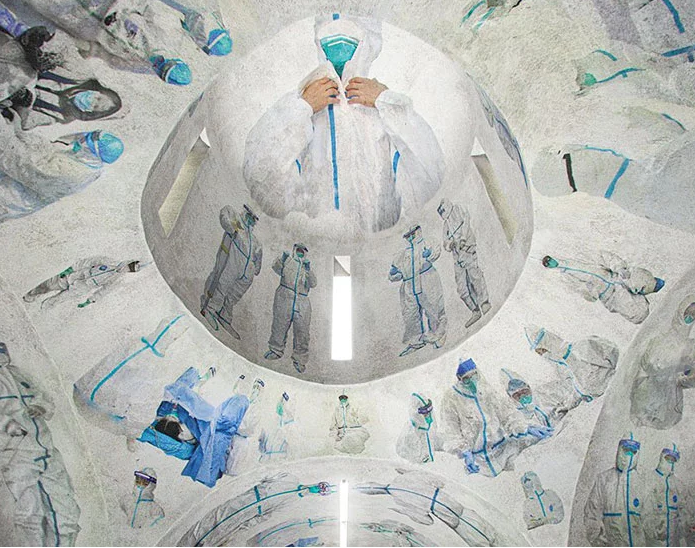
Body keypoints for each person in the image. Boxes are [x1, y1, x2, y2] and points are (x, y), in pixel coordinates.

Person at [243, 13, 445, 234]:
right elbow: (259, 180)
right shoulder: (301, 104)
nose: (339, 36)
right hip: (317, 244)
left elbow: (430, 177)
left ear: (369, 40)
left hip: (375, 246)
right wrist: (303, 107)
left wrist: (386, 102)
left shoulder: (382, 109)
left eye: (351, 27)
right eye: (330, 28)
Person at [0, 342, 81, 546]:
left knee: (67, 512)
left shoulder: (18, 373)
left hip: (47, 451)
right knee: (31, 517)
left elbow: (45, 397)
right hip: (18, 458)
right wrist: (10, 427)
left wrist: (41, 407)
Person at [73, 315, 189, 440]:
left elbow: (103, 367)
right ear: (174, 338)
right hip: (106, 413)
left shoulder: (134, 343)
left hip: (82, 396)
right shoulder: (156, 367)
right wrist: (133, 431)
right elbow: (145, 404)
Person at [441, 358, 552, 478]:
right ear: (459, 378)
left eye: (474, 375)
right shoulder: (451, 399)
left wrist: (524, 428)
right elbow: (450, 431)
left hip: (504, 451)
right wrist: (464, 452)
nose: (472, 380)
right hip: (477, 461)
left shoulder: (487, 391)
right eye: (466, 378)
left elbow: (507, 415)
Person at [141, 366, 249, 488]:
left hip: (185, 423)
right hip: (194, 425)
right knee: (182, 399)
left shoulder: (196, 450)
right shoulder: (208, 448)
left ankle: (197, 379)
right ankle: (197, 380)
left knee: (178, 398)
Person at [0, 116, 124, 222]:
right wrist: (15, 126)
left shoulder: (73, 173)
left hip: (7, 198)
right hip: (10, 180)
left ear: (92, 153)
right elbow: (46, 148)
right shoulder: (81, 159)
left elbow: (23, 164)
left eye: (84, 141)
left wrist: (5, 132)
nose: (80, 140)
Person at [177, 474, 332, 546]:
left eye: (318, 491)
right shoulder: (290, 479)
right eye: (318, 486)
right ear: (317, 482)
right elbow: (264, 477)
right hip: (243, 501)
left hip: (247, 515)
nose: (315, 489)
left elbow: (265, 516)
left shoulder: (292, 501)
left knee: (218, 535)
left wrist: (245, 526)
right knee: (211, 521)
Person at [356, 468, 497, 546]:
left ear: (374, 493)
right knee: (490, 534)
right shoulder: (404, 478)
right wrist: (411, 473)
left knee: (480, 541)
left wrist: (403, 511)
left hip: (451, 519)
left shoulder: (398, 499)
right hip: (457, 507)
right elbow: (439, 482)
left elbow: (427, 520)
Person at [542, 252, 664, 324]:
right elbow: (588, 296)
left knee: (640, 279)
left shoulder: (578, 257)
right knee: (638, 313)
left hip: (617, 276)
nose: (551, 263)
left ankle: (653, 285)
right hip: (610, 295)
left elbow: (604, 257)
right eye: (548, 264)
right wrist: (590, 290)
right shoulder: (566, 278)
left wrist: (619, 268)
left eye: (550, 260)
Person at [630, 295, 695, 430]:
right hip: (647, 392)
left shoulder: (690, 346)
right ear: (680, 311)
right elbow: (649, 366)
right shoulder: (659, 339)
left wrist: (688, 376)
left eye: (693, 315)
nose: (689, 317)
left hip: (666, 403)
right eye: (688, 313)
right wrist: (675, 366)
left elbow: (686, 381)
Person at [524, 326, 619, 415]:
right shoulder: (563, 369)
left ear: (549, 342)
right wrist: (568, 405)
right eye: (539, 353)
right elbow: (578, 389)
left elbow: (616, 356)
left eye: (543, 350)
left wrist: (618, 379)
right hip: (607, 403)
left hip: (619, 388)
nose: (544, 355)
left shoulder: (584, 346)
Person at [201, 204, 262, 340]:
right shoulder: (237, 223)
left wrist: (255, 268)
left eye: (254, 218)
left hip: (246, 271)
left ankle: (224, 315)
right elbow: (224, 215)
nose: (251, 219)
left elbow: (258, 256)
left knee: (234, 295)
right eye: (249, 216)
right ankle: (210, 308)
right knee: (223, 285)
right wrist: (232, 227)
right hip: (233, 261)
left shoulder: (255, 241)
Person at [389, 225, 447, 357]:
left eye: (412, 234)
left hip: (426, 278)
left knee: (433, 307)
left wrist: (429, 254)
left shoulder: (426, 242)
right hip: (409, 285)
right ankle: (415, 341)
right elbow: (395, 274)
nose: (410, 237)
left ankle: (439, 334)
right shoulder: (403, 253)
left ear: (418, 231)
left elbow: (435, 252)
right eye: (407, 236)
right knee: (410, 314)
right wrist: (394, 273)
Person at [264, 243, 317, 373]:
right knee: (279, 324)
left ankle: (299, 360)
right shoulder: (288, 261)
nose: (300, 253)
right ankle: (275, 350)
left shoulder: (306, 268)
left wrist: (308, 271)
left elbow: (313, 284)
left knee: (302, 331)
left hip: (302, 300)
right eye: (298, 250)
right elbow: (276, 268)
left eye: (302, 251)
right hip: (285, 295)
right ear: (294, 250)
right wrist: (281, 259)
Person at [438, 198, 491, 328]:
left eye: (443, 210)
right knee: (461, 287)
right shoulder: (446, 225)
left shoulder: (458, 209)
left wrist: (462, 239)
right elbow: (445, 243)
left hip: (467, 249)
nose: (442, 213)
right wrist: (450, 245)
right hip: (457, 257)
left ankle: (484, 303)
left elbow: (466, 222)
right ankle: (474, 310)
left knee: (475, 277)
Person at [584, 436, 645, 547]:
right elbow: (592, 514)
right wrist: (597, 539)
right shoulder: (603, 480)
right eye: (625, 450)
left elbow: (650, 519)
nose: (628, 455)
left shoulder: (642, 483)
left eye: (632, 451)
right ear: (619, 450)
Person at [23, 256, 140, 307]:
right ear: (128, 262)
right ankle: (31, 295)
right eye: (129, 266)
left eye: (130, 270)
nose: (127, 269)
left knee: (58, 300)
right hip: (77, 276)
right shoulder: (108, 261)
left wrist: (90, 300)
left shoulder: (116, 279)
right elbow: (88, 262)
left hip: (83, 287)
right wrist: (71, 269)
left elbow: (105, 290)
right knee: (49, 285)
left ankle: (43, 309)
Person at [644, 446, 687, 547]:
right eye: (668, 458)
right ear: (661, 457)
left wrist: (681, 530)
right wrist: (653, 529)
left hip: (673, 543)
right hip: (653, 543)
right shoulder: (647, 480)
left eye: (673, 459)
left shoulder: (679, 485)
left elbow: (684, 513)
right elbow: (641, 513)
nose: (670, 462)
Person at [395, 392, 441, 463]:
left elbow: (434, 441)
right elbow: (408, 462)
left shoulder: (428, 427)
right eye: (425, 413)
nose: (428, 416)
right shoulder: (410, 434)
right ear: (416, 414)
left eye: (430, 411)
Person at [258, 391, 295, 462]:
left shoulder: (288, 425)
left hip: (275, 460)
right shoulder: (276, 422)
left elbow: (293, 447)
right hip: (271, 460)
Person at [361, 520, 435, 547]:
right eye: (371, 529)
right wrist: (400, 537)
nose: (374, 528)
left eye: (371, 526)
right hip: (412, 542)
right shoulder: (385, 536)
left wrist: (402, 529)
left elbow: (407, 526)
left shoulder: (385, 522)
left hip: (415, 536)